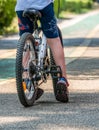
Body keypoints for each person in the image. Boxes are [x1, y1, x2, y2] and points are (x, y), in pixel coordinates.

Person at [15, 0, 69, 103]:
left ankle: (26, 79)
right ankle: (63, 79)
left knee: (25, 43)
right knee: (54, 40)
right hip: (43, 5)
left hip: (22, 7)